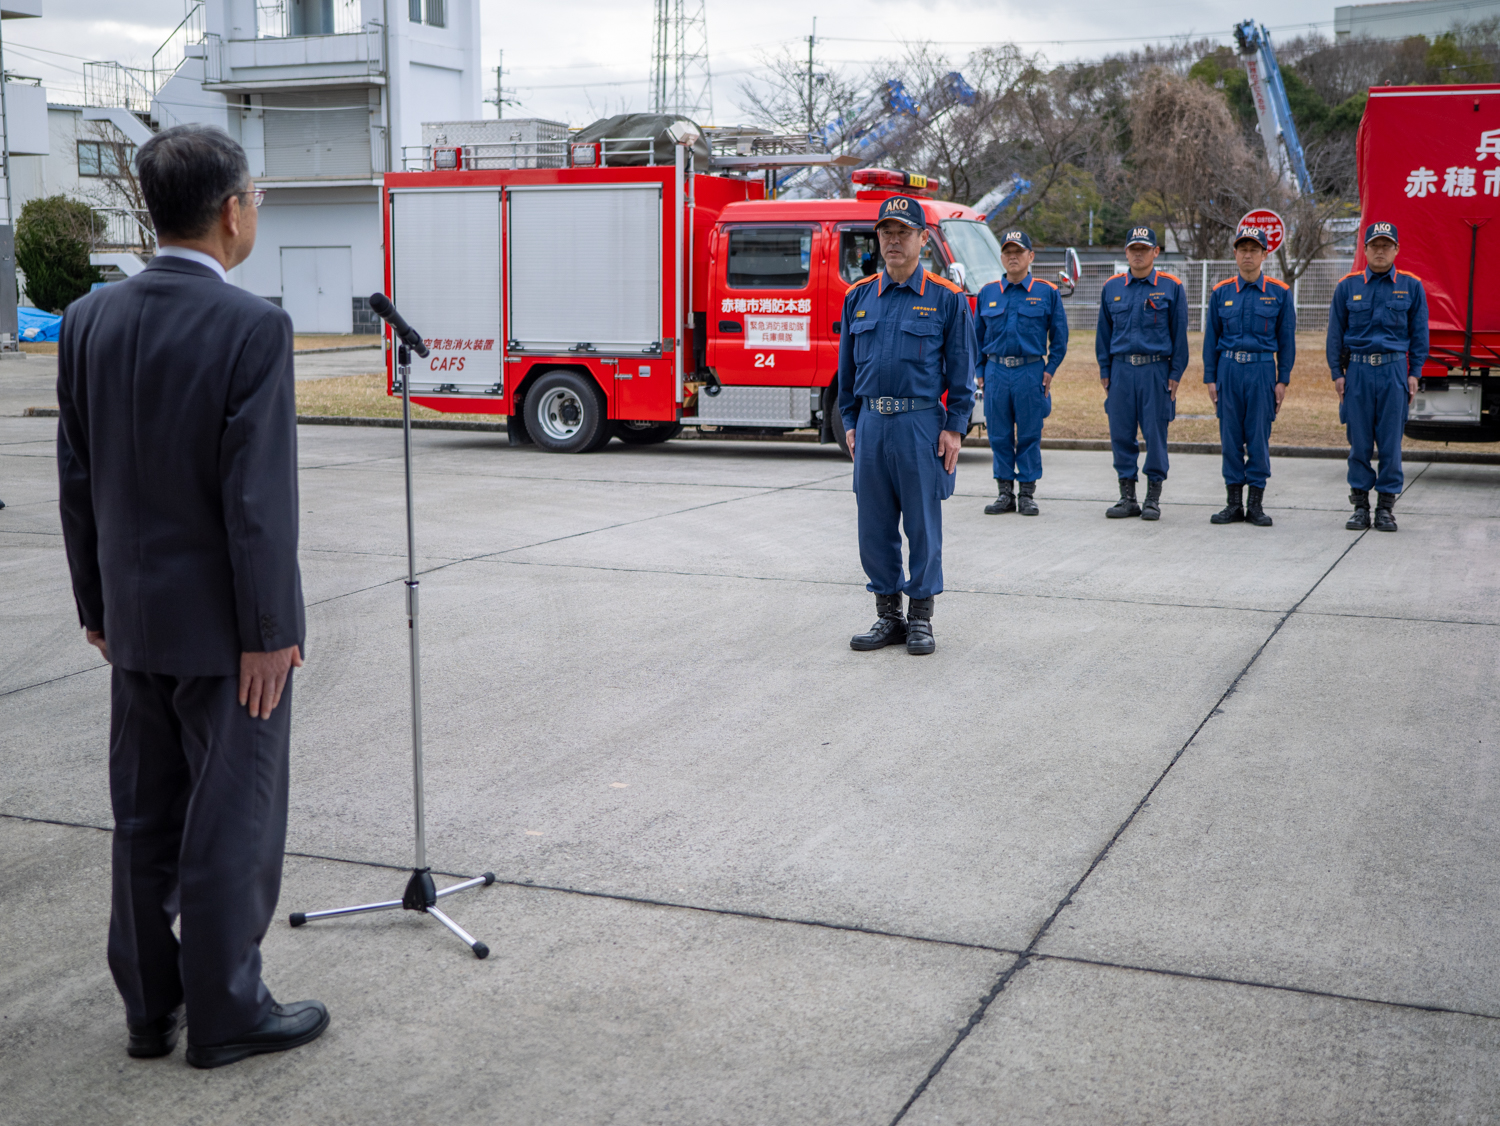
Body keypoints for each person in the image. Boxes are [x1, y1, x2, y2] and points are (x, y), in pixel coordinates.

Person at [56, 124, 328, 1069]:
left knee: (144, 814)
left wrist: (95, 606)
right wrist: (270, 632)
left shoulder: (91, 318)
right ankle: (226, 1011)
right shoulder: (252, 326)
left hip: (132, 621)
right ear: (231, 211)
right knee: (230, 820)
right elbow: (256, 500)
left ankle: (148, 1008)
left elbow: (78, 476)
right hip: (227, 633)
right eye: (253, 198)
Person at [839, 195, 976, 655]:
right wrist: (852, 421)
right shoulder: (858, 298)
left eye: (903, 232)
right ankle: (888, 617)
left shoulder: (946, 298)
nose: (893, 240)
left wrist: (955, 426)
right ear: (878, 239)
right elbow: (847, 373)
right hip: (873, 424)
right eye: (886, 232)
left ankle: (920, 618)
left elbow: (962, 370)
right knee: (873, 526)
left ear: (922, 239)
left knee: (922, 524)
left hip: (920, 424)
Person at [1326, 221, 1429, 532]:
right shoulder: (1348, 286)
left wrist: (1414, 372)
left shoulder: (1411, 286)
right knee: (1358, 442)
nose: (1380, 250)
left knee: (1389, 443)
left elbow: (1419, 334)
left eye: (1386, 245)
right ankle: (1360, 507)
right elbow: (1335, 335)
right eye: (1374, 245)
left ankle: (1385, 507)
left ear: (1396, 249)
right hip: (1356, 371)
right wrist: (1337, 373)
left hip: (1394, 371)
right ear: (1365, 249)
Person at [1202, 226, 1295, 526]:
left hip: (1261, 371)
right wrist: (1210, 378)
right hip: (1229, 370)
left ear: (1264, 255)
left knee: (1257, 437)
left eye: (1254, 249)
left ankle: (1255, 504)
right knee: (1230, 438)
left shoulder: (1280, 293)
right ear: (1235, 253)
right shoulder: (1221, 292)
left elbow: (1287, 341)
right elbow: (1211, 339)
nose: (1247, 255)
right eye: (1242, 249)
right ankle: (1233, 504)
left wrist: (1282, 380)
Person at [1094, 226, 1189, 520]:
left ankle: (1152, 498)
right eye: (1133, 248)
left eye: (1144, 249)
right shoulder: (1112, 287)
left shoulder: (1171, 287)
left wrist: (1174, 374)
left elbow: (1180, 336)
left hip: (1155, 370)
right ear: (1126, 252)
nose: (1138, 253)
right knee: (1121, 435)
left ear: (1155, 252)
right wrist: (1105, 370)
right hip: (1121, 370)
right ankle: (1127, 498)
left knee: (1155, 435)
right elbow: (1103, 334)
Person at [975, 229, 1068, 516]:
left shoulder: (1046, 292)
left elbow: (1060, 338)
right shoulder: (987, 293)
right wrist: (980, 371)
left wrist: (1050, 369)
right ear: (1002, 257)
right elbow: (976, 339)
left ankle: (1027, 494)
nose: (1012, 257)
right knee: (999, 435)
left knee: (1029, 433)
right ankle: (1005, 494)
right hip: (996, 372)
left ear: (1031, 256)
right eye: (1007, 252)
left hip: (1030, 372)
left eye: (1018, 252)